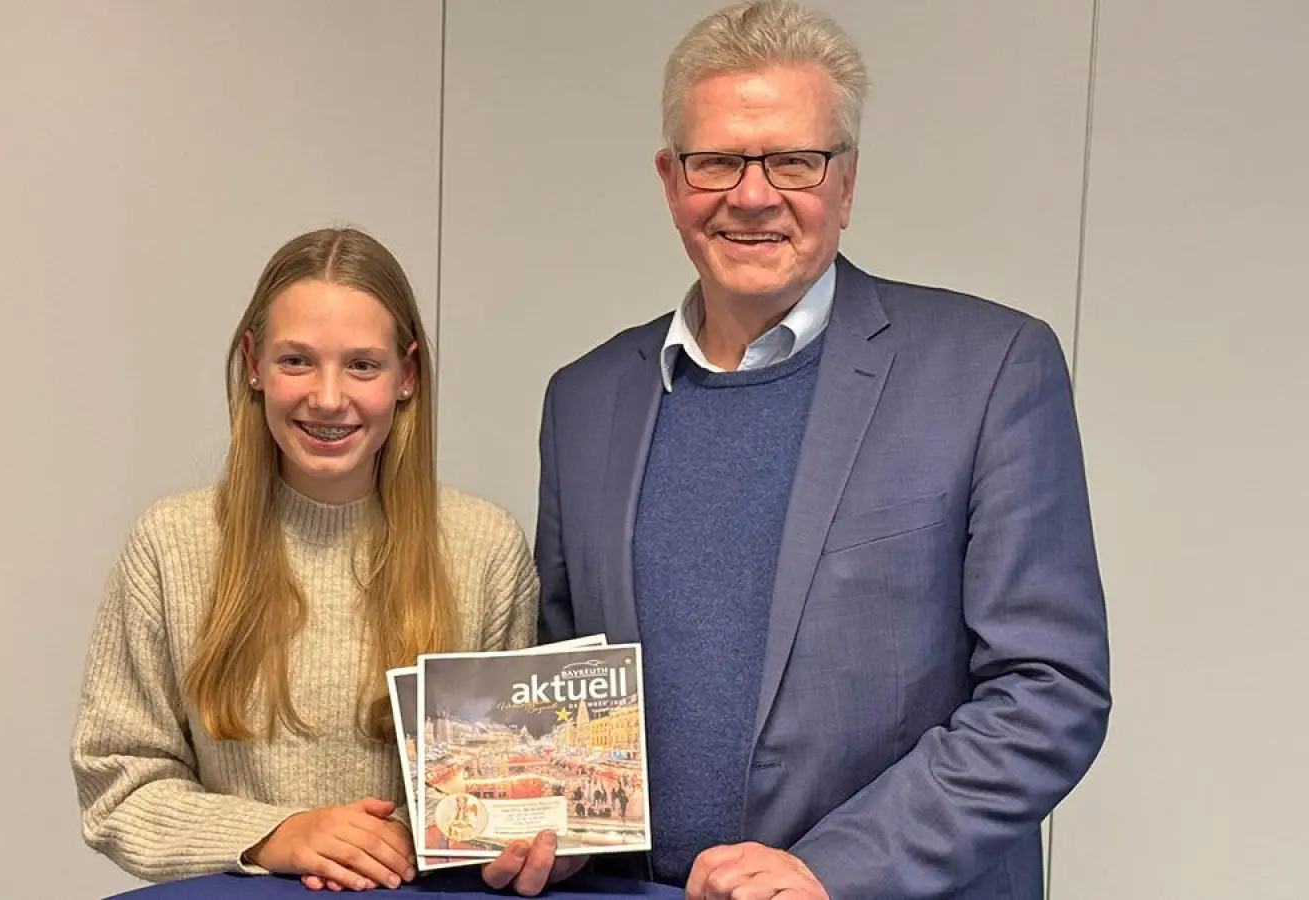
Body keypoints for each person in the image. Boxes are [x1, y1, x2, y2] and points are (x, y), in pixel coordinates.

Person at [501, 2, 1113, 899]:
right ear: (672, 180)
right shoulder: (584, 400)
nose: (753, 195)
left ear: (847, 182)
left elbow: (1049, 689)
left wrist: (834, 869)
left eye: (795, 160)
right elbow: (568, 672)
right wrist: (554, 819)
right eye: (716, 161)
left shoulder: (989, 369)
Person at [71, 227, 540, 890]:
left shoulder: (486, 548)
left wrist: (508, 838)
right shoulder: (170, 544)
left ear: (407, 375)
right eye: (296, 360)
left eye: (362, 365)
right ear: (254, 364)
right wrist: (275, 835)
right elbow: (118, 784)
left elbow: (504, 791)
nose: (326, 397)